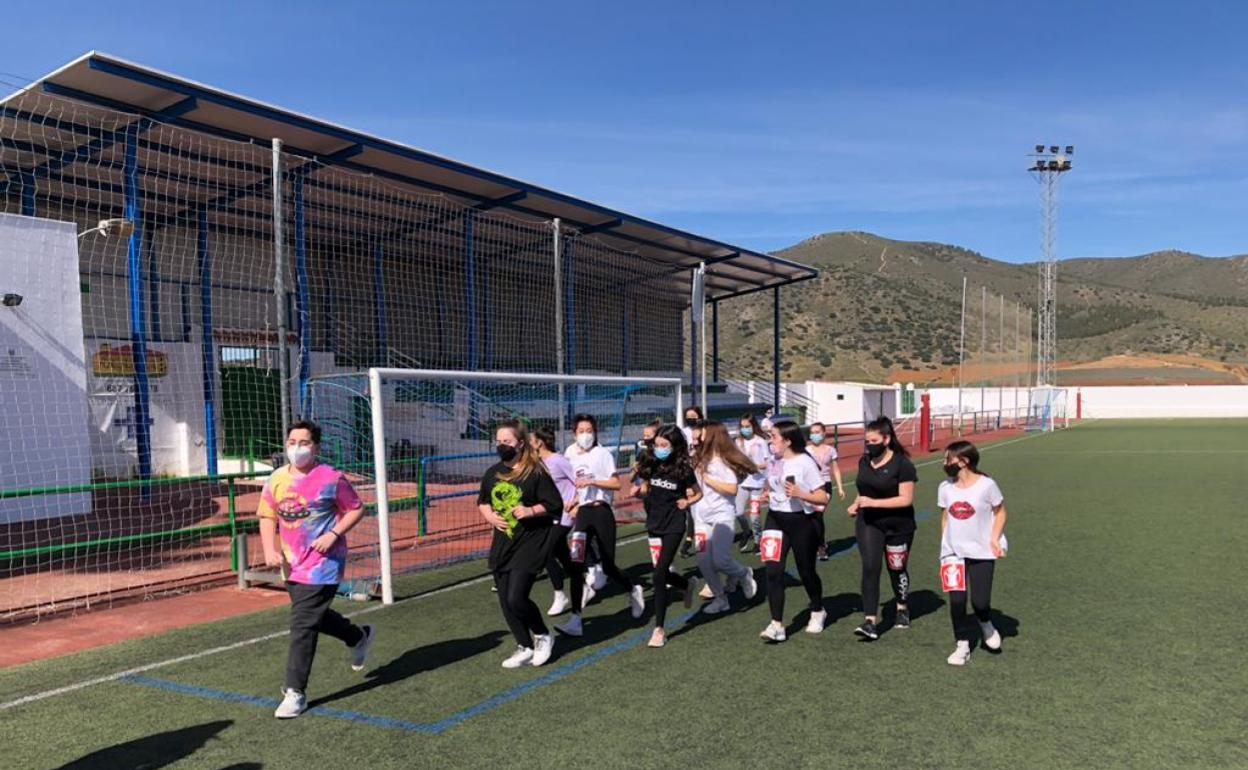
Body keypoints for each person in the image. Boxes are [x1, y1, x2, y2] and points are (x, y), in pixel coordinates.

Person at [258, 420, 376, 719]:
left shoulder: (331, 478)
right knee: (315, 617)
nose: (297, 448)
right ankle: (357, 636)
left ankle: (295, 692)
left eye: (304, 443)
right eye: (292, 442)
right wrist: (270, 548)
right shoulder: (276, 479)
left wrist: (333, 534)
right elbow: (267, 514)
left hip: (323, 565)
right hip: (292, 564)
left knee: (302, 625)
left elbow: (356, 508)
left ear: (316, 447)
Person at [478, 420, 565, 669]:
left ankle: (542, 635)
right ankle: (524, 646)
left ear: (520, 443)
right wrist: (489, 516)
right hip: (503, 543)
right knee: (505, 600)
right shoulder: (492, 473)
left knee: (517, 597)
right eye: (498, 441)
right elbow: (483, 501)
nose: (502, 445)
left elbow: (554, 505)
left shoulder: (534, 472)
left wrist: (530, 511)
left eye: (507, 441)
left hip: (531, 541)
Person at [565, 414, 646, 619]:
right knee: (576, 561)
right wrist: (573, 500)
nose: (585, 435)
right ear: (574, 433)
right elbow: (571, 483)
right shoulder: (570, 454)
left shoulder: (603, 454)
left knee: (609, 565)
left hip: (601, 511)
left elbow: (616, 483)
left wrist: (593, 482)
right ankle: (576, 616)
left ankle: (633, 589)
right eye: (581, 431)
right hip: (583, 512)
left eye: (589, 431)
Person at [938, 440, 1009, 666]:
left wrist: (995, 539)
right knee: (957, 601)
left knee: (980, 601)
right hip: (953, 553)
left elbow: (1000, 512)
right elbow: (945, 516)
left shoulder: (987, 485)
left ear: (964, 461)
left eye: (948, 459)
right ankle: (962, 645)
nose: (945, 463)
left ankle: (985, 622)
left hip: (981, 551)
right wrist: (945, 543)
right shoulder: (945, 487)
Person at [847, 416, 918, 641]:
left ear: (886, 439)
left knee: (896, 568)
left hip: (899, 525)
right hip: (869, 522)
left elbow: (905, 499)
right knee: (870, 567)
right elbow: (864, 489)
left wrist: (873, 502)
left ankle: (902, 606)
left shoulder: (902, 464)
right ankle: (870, 621)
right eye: (867, 441)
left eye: (873, 440)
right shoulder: (864, 462)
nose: (869, 445)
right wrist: (856, 503)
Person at [758, 421, 829, 642]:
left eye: (774, 437)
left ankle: (818, 610)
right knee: (773, 571)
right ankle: (777, 624)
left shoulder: (805, 463)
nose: (771, 441)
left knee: (806, 571)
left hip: (800, 521)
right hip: (775, 519)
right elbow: (773, 484)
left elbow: (822, 497)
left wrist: (801, 493)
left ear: (788, 440)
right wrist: (767, 494)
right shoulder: (773, 461)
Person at [636, 425, 702, 647]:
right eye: (657, 445)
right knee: (660, 572)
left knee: (658, 575)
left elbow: (698, 492)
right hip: (654, 522)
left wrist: (687, 501)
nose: (659, 449)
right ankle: (686, 584)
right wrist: (640, 490)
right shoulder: (651, 463)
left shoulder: (683, 469)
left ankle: (659, 629)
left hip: (674, 524)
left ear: (674, 446)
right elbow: (644, 484)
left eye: (664, 445)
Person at [691, 421, 758, 613]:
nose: (697, 440)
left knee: (720, 560)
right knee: (704, 562)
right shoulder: (698, 458)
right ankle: (721, 599)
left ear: (711, 435)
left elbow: (731, 488)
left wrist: (708, 479)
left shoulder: (722, 461)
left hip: (722, 516)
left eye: (700, 435)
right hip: (702, 518)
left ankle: (744, 573)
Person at [533, 426, 584, 633]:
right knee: (562, 555)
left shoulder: (558, 460)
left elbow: (578, 482)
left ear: (539, 442)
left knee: (545, 552)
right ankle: (580, 581)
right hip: (548, 516)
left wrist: (577, 502)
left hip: (564, 515)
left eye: (531, 439)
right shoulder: (538, 464)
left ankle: (560, 594)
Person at [807, 422, 846, 560]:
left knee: (818, 514)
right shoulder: (806, 450)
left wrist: (840, 487)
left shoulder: (831, 450)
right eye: (812, 432)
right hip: (810, 487)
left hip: (825, 486)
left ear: (823, 433)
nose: (814, 435)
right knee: (811, 518)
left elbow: (835, 469)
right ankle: (816, 542)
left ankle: (821, 546)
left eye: (817, 432)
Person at [735, 414, 769, 553]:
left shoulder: (761, 441)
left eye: (747, 426)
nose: (745, 429)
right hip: (742, 482)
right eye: (742, 427)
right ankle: (746, 531)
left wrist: (755, 467)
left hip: (757, 483)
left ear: (753, 426)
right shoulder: (738, 442)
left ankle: (757, 540)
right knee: (738, 512)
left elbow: (767, 463)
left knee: (754, 515)